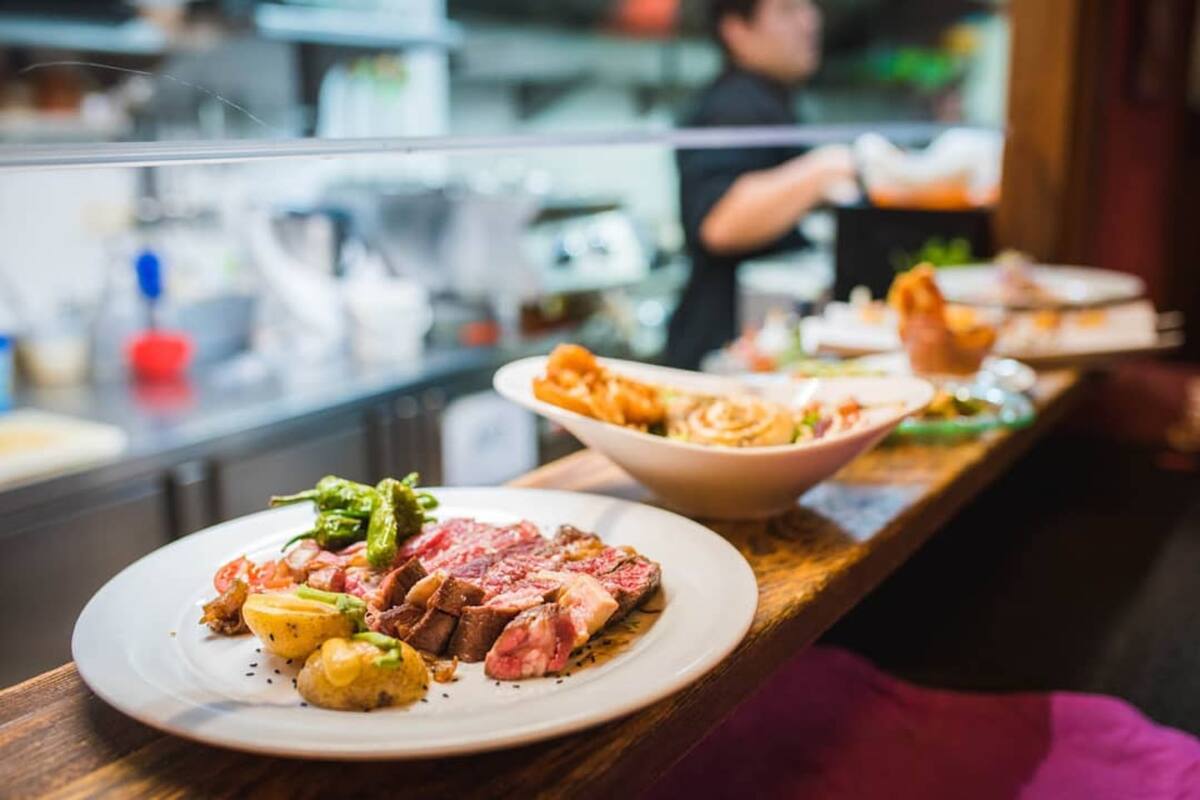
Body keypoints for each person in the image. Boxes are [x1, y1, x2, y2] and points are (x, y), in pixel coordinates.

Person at [666, 0, 856, 369]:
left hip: (754, 340)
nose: (810, 20)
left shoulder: (770, 100)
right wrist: (822, 170)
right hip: (721, 347)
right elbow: (719, 222)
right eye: (787, 9)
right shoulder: (735, 104)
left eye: (809, 6)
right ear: (736, 28)